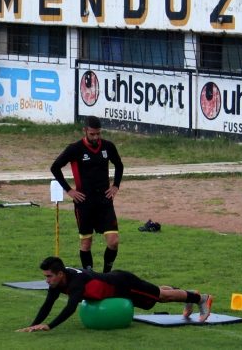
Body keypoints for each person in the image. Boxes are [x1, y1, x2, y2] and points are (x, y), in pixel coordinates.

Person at [16, 256, 214, 332]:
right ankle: (188, 295)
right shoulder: (58, 280)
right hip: (114, 286)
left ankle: (201, 298)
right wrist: (33, 325)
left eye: (49, 276)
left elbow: (70, 308)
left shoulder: (76, 283)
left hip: (122, 284)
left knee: (162, 297)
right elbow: (47, 304)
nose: (47, 280)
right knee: (153, 299)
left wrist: (49, 326)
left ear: (59, 274)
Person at [50, 116, 123, 273]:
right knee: (86, 243)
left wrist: (116, 186)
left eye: (98, 134)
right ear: (85, 131)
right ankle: (88, 275)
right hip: (84, 202)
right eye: (92, 134)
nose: (96, 137)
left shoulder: (108, 146)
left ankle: (106, 274)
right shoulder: (74, 149)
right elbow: (55, 167)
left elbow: (119, 165)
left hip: (104, 201)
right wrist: (69, 190)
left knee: (113, 242)